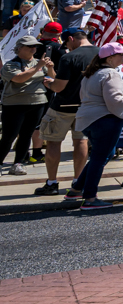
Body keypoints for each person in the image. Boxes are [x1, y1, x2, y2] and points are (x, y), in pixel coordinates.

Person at [73, 42, 123, 211]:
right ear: (111, 57)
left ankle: (77, 189)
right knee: (100, 158)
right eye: (122, 54)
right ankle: (90, 198)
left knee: (102, 155)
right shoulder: (110, 74)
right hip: (105, 119)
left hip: (88, 119)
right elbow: (114, 101)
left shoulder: (92, 73)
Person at [36, 28, 95, 197]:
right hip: (86, 106)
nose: (67, 47)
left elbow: (59, 87)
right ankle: (78, 181)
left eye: (67, 43)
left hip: (63, 106)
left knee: (53, 142)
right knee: (81, 141)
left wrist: (48, 83)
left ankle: (52, 183)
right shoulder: (100, 54)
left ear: (71, 38)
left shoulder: (69, 57)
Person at [3, 36, 56, 179]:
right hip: (15, 104)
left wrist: (50, 68)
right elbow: (19, 78)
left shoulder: (39, 63)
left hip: (37, 102)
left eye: (35, 46)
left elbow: (53, 78)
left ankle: (18, 163)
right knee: (9, 136)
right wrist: (38, 67)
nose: (33, 49)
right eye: (29, 46)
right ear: (19, 48)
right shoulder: (11, 64)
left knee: (27, 134)